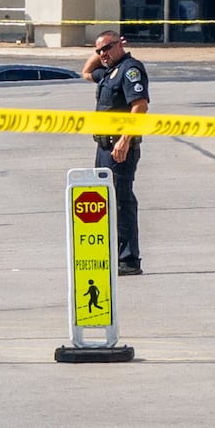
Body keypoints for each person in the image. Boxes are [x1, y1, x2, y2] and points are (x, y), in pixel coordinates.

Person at [84, 30, 151, 274]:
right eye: (98, 50)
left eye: (107, 48)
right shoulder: (109, 70)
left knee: (122, 201)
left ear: (120, 45)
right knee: (106, 199)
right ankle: (115, 254)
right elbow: (86, 72)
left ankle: (129, 260)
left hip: (119, 147)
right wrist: (99, 51)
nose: (102, 54)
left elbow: (139, 106)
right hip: (103, 147)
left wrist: (124, 140)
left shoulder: (130, 69)